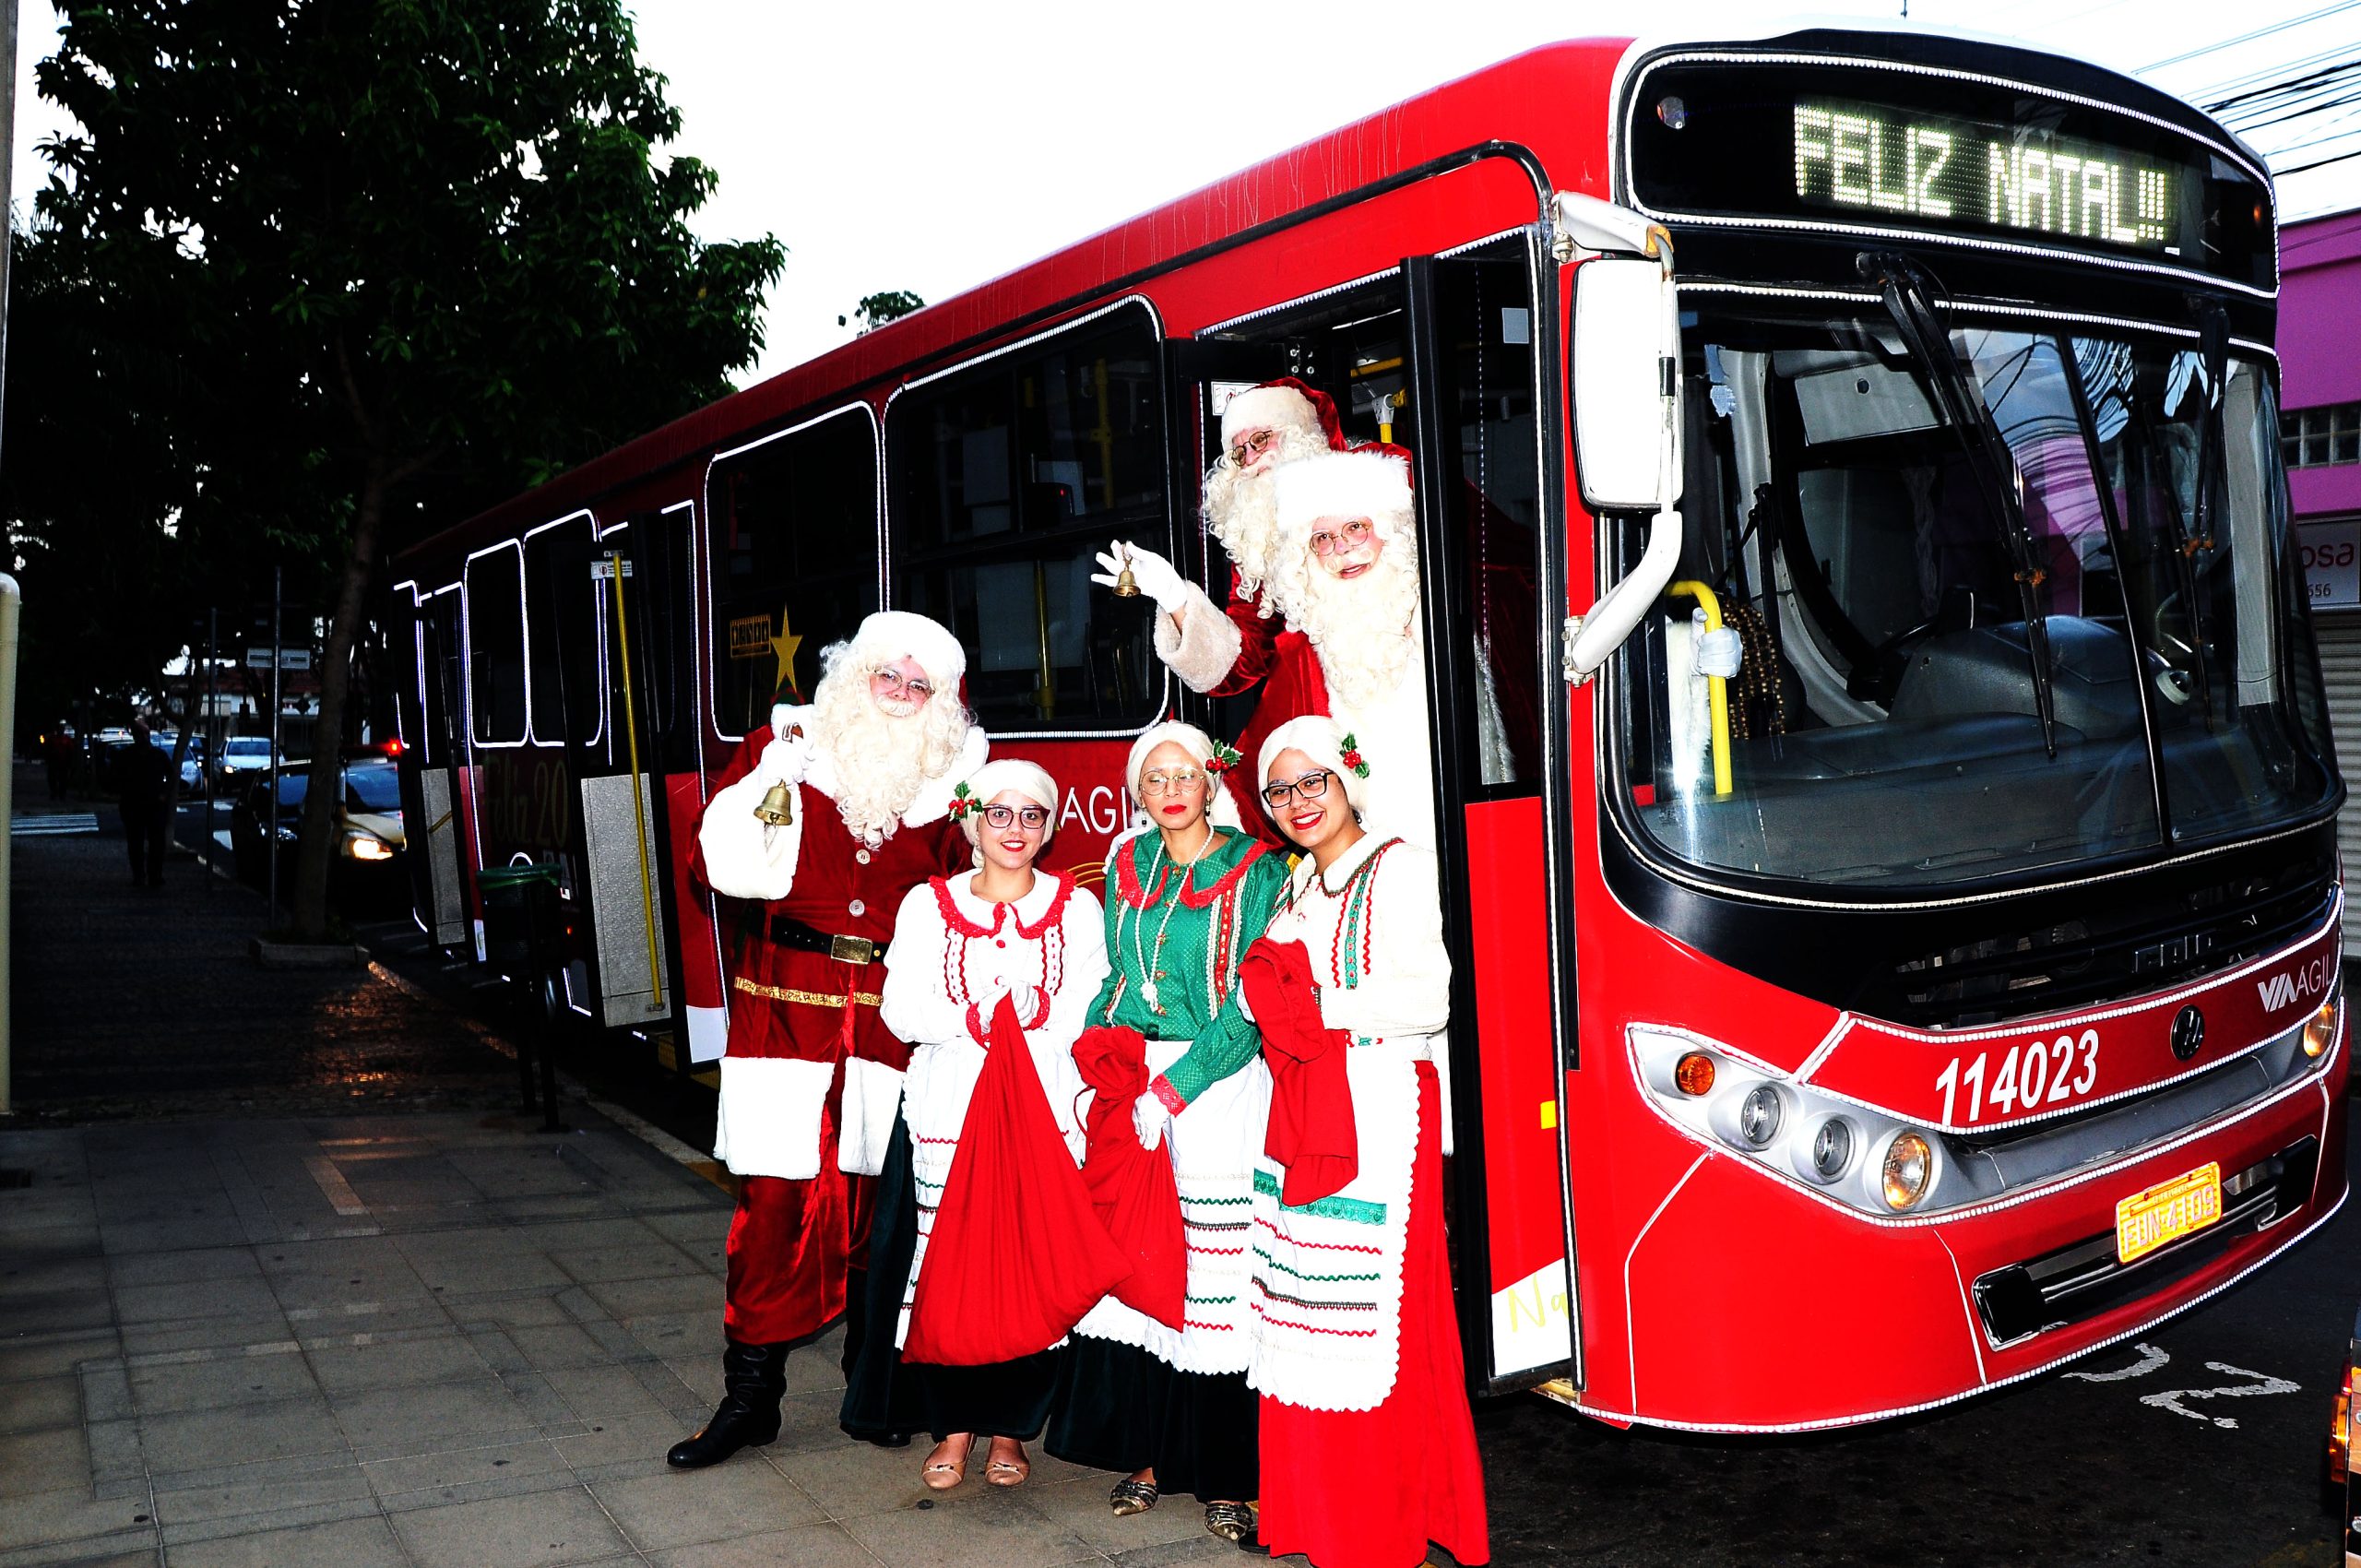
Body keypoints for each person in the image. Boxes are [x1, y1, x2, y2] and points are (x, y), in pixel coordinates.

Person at [670, 610, 986, 1471]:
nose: (902, 696)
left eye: (921, 687)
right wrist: (769, 779)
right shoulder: (782, 750)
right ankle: (750, 1399)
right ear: (854, 678)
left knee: (883, 1208)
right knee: (772, 1207)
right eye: (889, 677)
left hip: (890, 1018)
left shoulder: (953, 779)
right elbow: (710, 867)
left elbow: (979, 893)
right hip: (786, 1013)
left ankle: (870, 1386)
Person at [1239, 715, 1489, 1568]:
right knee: (1305, 1309)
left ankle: (1383, 1522)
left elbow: (1428, 997)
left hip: (1381, 1101)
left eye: (1315, 782)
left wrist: (1315, 1006)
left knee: (1383, 1314)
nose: (1300, 802)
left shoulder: (1403, 866)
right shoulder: (1293, 888)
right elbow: (1262, 999)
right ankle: (1317, 1518)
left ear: (1348, 781)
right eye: (1281, 790)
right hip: (1306, 1105)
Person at [1044, 720, 1289, 1543]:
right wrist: (1097, 1046)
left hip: (1216, 1088)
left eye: (1186, 773)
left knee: (1215, 1282)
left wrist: (1176, 1088)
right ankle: (1148, 1458)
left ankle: (1224, 1475)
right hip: (1135, 1083)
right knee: (1145, 1267)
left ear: (1212, 781)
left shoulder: (1257, 867)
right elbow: (1119, 971)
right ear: (1139, 794)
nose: (1172, 789)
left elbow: (1250, 1006)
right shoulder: (1125, 862)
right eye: (1155, 778)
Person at [840, 759, 1108, 1489]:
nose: (1014, 829)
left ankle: (1010, 1434)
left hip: (1043, 1114)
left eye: (1031, 815)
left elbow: (1091, 1000)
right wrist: (971, 1016)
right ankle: (953, 1427)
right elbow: (899, 1008)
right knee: (947, 1270)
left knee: (1025, 1270)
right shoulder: (930, 906)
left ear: (1049, 829)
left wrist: (1039, 1012)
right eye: (999, 813)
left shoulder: (1076, 908)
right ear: (973, 822)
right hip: (949, 1111)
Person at [1091, 378, 1347, 827]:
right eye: (1239, 451)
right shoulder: (1258, 543)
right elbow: (1239, 665)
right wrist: (1175, 598)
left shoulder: (1368, 493)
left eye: (1261, 440)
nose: (1250, 460)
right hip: (1303, 737)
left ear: (1299, 434)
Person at [1264, 447, 1436, 848]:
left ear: (1389, 532)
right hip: (1369, 858)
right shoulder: (1302, 652)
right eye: (1323, 538)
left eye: (1356, 528)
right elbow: (1263, 757)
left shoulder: (1444, 621)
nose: (1342, 549)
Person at [118, 719, 173, 885]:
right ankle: (139, 875)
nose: (144, 737)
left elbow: (171, 775)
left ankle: (154, 874)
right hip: (133, 805)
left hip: (154, 805)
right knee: (136, 843)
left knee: (157, 843)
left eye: (146, 733)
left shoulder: (158, 755)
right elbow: (116, 776)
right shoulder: (127, 755)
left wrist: (164, 794)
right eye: (140, 733)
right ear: (134, 736)